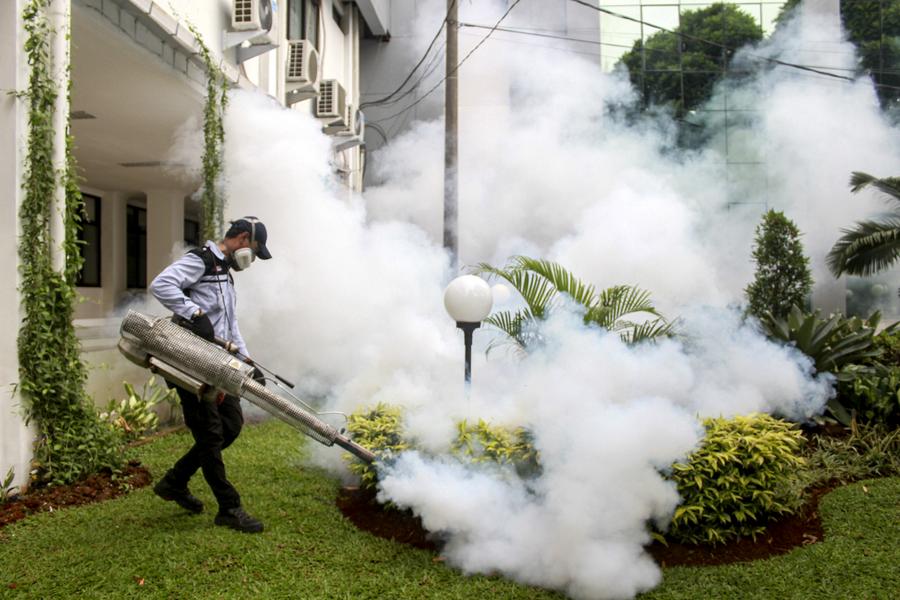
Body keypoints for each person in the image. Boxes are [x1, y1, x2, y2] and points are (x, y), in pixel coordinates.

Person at [148, 216, 272, 533]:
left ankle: (174, 482)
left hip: (218, 363)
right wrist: (194, 313)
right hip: (190, 363)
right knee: (210, 434)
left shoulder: (226, 276)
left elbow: (230, 328)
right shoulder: (200, 261)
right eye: (255, 251)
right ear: (243, 239)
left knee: (231, 425)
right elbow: (160, 284)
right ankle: (229, 507)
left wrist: (248, 361)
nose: (252, 259)